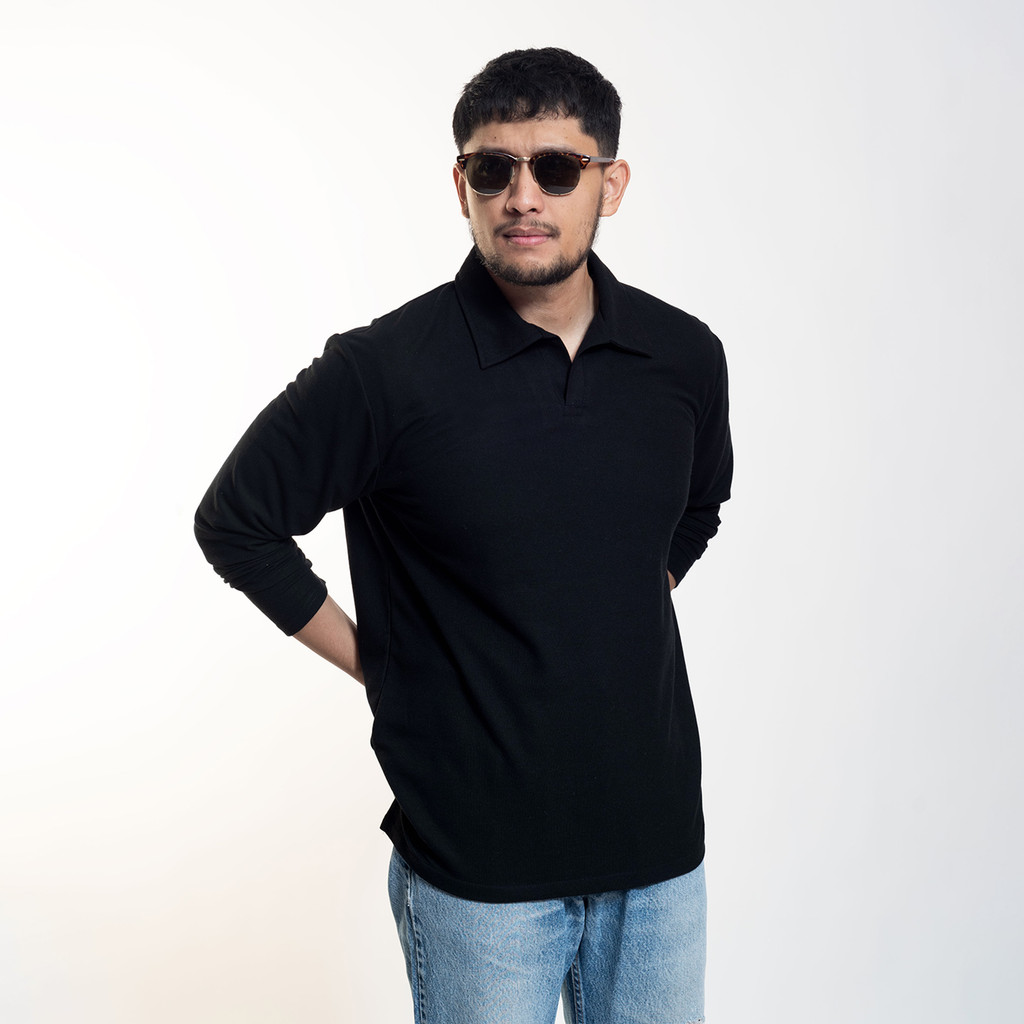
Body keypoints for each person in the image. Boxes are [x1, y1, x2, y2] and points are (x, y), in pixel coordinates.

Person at [195, 46, 732, 1024]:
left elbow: (699, 509)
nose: (523, 196)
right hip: (478, 869)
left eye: (556, 169)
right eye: (494, 169)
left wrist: (613, 602)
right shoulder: (383, 372)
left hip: (657, 854)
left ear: (611, 185)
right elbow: (237, 523)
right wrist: (384, 666)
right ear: (461, 186)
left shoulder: (683, 356)